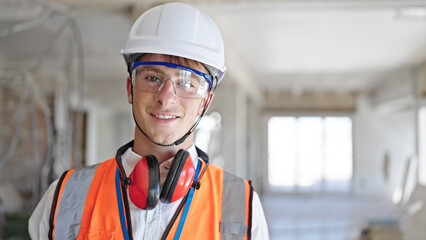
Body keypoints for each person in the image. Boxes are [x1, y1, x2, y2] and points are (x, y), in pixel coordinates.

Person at [28, 2, 269, 239]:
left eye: (186, 83)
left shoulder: (241, 206)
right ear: (130, 89)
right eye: (153, 77)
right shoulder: (64, 197)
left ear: (206, 100)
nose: (166, 97)